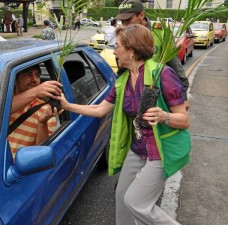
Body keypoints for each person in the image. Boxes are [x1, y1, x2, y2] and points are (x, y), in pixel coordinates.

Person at [58, 24, 189, 225]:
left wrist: (164, 116)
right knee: (121, 196)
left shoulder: (162, 74)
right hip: (137, 148)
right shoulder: (123, 81)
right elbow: (100, 110)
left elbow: (184, 120)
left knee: (136, 203)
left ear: (132, 50)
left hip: (160, 150)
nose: (114, 50)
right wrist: (68, 105)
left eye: (118, 46)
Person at [115, 0, 189, 102]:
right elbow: (121, 72)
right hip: (133, 96)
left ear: (141, 15)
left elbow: (177, 69)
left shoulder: (161, 33)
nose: (125, 25)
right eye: (122, 22)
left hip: (157, 96)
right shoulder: (124, 35)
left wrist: (183, 100)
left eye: (128, 20)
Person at [8, 65, 62, 160]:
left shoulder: (45, 110)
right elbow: (1, 108)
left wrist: (42, 123)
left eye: (37, 75)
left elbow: (42, 153)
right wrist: (36, 91)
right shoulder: (4, 100)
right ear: (15, 80)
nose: (34, 79)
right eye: (28, 74)